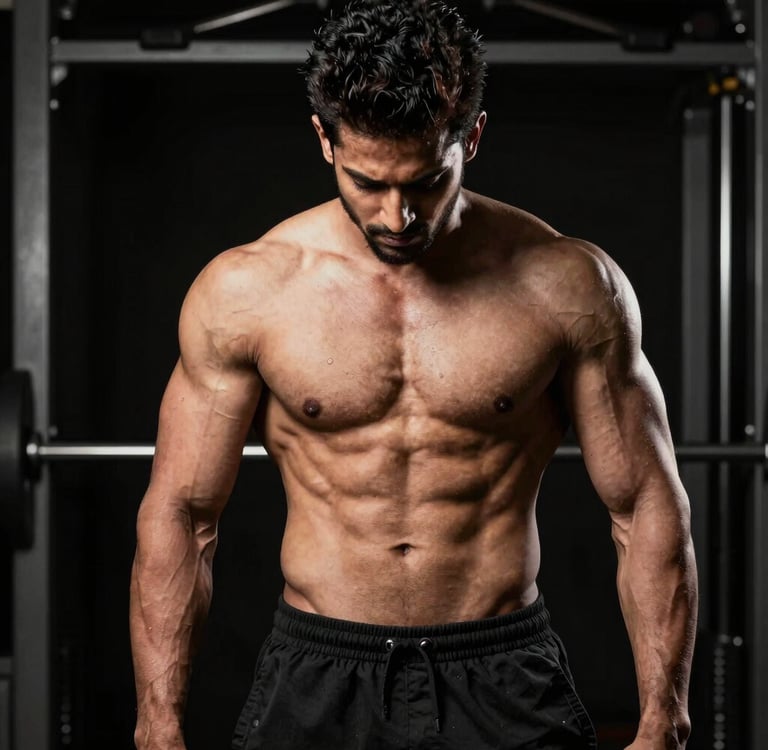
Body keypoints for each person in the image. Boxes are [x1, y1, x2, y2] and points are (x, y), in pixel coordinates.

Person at [129, 0, 698, 748]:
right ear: (324, 140)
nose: (397, 217)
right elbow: (182, 514)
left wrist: (664, 717)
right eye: (368, 183)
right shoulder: (247, 293)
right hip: (318, 667)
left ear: (473, 137)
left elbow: (645, 505)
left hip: (501, 666)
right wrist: (158, 725)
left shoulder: (567, 286)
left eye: (427, 181)